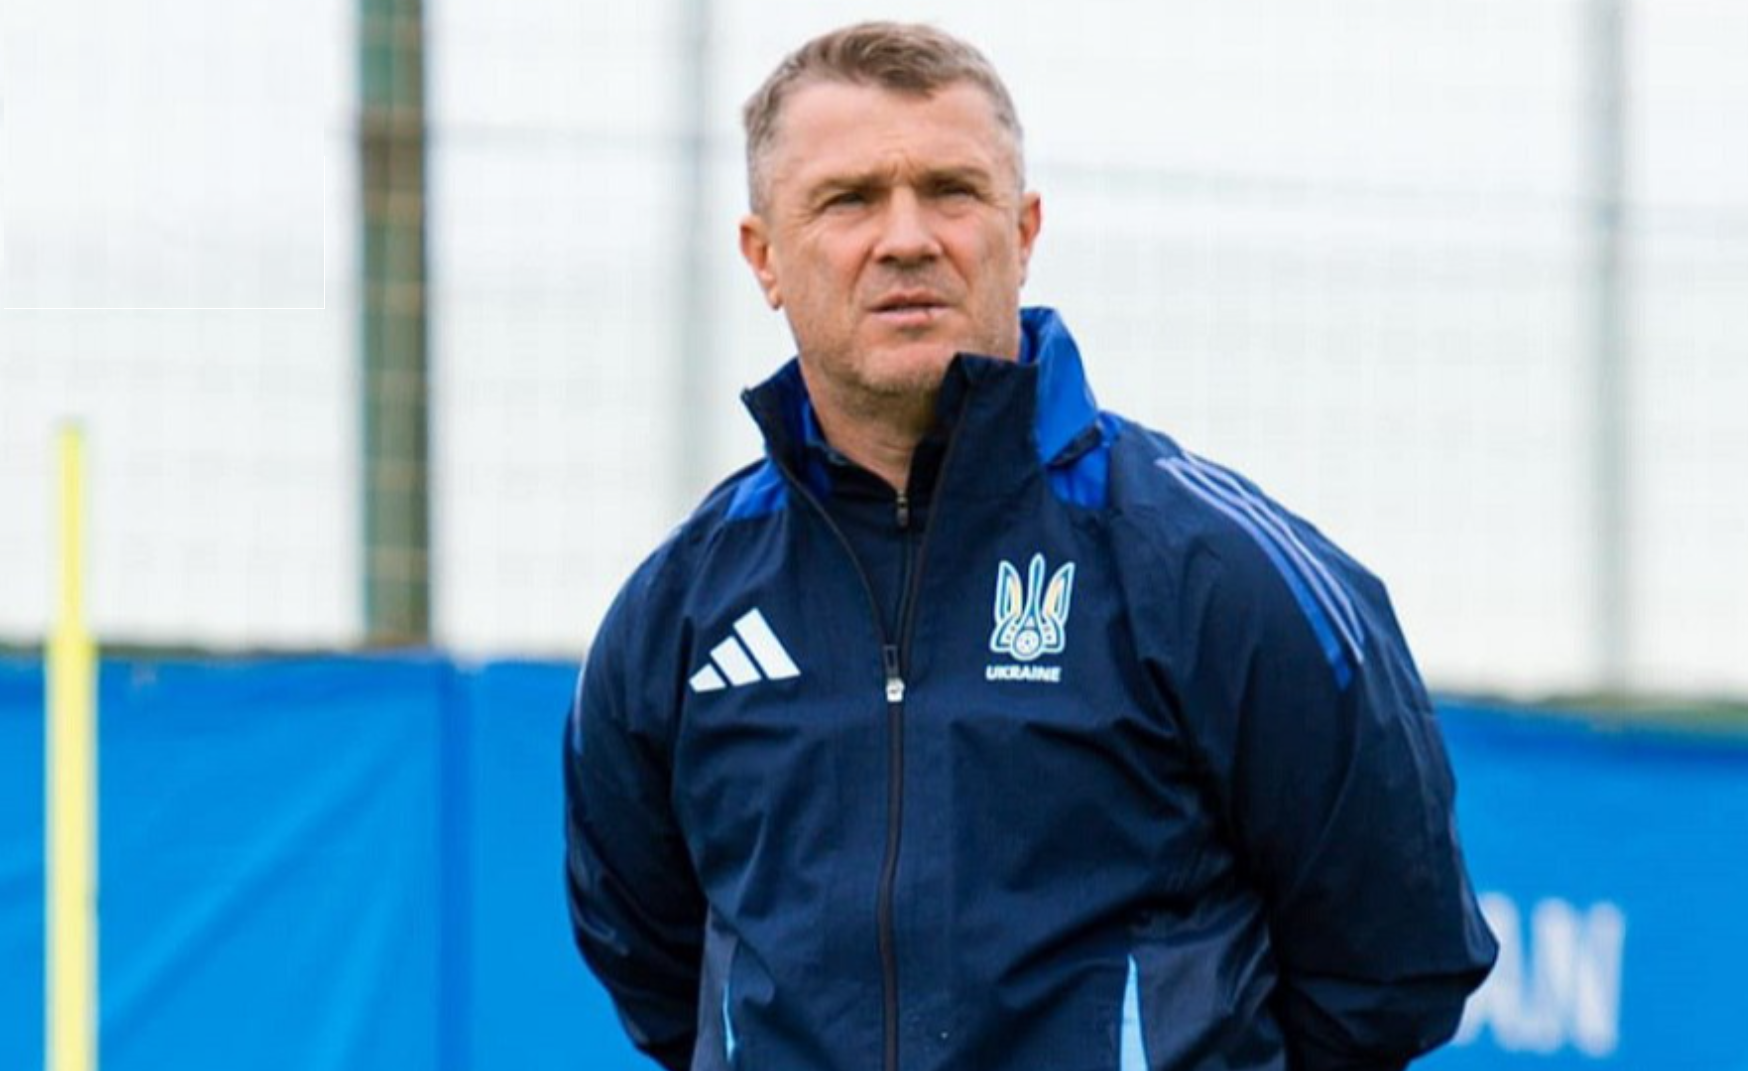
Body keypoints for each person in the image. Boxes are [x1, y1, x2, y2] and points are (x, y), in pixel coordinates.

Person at [564, 21, 1496, 1071]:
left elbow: (1395, 960)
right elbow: (650, 961)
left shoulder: (1209, 568)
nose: (906, 238)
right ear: (764, 255)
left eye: (951, 192)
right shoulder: (680, 608)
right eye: (849, 200)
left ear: (1024, 229)